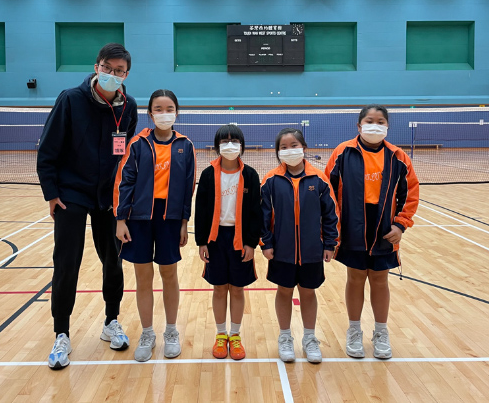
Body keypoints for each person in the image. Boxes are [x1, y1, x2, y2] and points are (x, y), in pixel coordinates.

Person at [37, 43, 138, 370]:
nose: (112, 74)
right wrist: (51, 193)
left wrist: (123, 196)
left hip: (108, 197)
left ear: (126, 75)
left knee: (113, 259)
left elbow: (125, 153)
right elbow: (47, 150)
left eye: (119, 71)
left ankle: (111, 321)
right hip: (71, 194)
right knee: (67, 262)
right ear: (97, 67)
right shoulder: (70, 100)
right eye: (107, 68)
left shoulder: (129, 106)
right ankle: (61, 333)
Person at [325, 104, 419, 360]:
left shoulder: (398, 157)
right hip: (352, 227)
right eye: (369, 121)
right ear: (359, 126)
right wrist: (333, 229)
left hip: (384, 228)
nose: (374, 125)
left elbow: (410, 193)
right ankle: (354, 331)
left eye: (380, 121)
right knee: (355, 278)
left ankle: (381, 332)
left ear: (387, 126)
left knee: (380, 280)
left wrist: (400, 224)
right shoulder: (342, 152)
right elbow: (328, 192)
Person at [114, 89, 196, 363]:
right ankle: (147, 333)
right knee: (143, 277)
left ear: (177, 112)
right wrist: (121, 219)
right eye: (158, 109)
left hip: (169, 218)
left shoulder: (185, 145)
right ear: (150, 114)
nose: (164, 113)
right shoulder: (137, 144)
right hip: (139, 218)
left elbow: (188, 188)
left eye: (169, 108)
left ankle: (171, 331)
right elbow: (125, 182)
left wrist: (184, 222)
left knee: (169, 274)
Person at [261, 128, 340, 364]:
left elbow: (331, 214)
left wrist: (330, 243)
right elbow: (262, 215)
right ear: (278, 152)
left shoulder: (319, 179)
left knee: (308, 292)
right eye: (284, 147)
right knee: (284, 291)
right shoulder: (270, 180)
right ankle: (285, 337)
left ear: (303, 147)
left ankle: (309, 338)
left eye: (294, 145)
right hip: (281, 251)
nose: (289, 150)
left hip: (311, 251)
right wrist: (266, 242)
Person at [195, 124, 262, 360]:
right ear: (217, 146)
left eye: (234, 141)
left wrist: (251, 243)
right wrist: (202, 241)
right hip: (216, 239)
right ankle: (220, 334)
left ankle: (235, 335)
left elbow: (256, 213)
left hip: (240, 239)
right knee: (219, 287)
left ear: (242, 146)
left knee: (237, 288)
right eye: (225, 141)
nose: (230, 145)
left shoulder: (250, 175)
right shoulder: (207, 175)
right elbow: (201, 210)